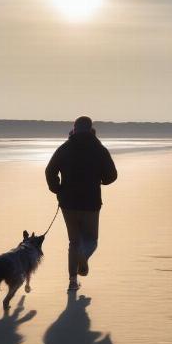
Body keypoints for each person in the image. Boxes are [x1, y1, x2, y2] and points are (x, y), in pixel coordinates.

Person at [45, 116, 117, 292]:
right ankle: (83, 258)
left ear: (74, 129)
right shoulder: (98, 148)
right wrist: (100, 181)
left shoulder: (65, 148)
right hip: (90, 202)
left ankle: (72, 281)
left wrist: (57, 188)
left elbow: (50, 170)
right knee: (91, 240)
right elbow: (112, 175)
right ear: (91, 129)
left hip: (68, 203)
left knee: (74, 242)